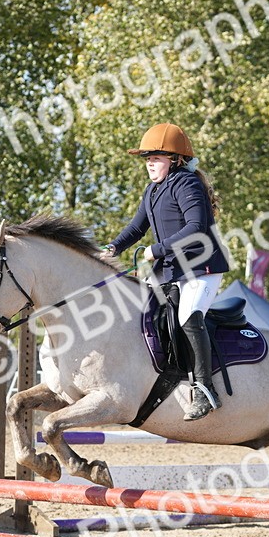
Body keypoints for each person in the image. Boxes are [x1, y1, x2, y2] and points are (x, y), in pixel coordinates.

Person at [105, 123, 230, 421]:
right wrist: (112, 248)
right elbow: (137, 227)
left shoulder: (187, 184)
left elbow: (196, 228)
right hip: (172, 269)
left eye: (156, 157)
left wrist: (156, 250)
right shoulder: (152, 191)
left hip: (202, 268)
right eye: (147, 157)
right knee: (141, 313)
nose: (149, 162)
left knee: (188, 316)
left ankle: (204, 390)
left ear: (175, 159)